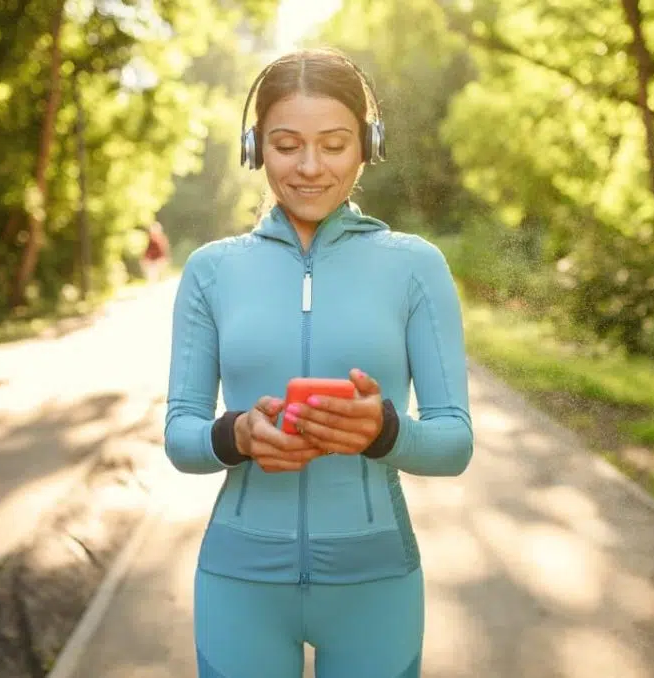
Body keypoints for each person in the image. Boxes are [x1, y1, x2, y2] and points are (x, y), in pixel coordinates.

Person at [165, 47, 473, 678]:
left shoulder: (416, 266)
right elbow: (180, 436)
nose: (309, 167)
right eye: (286, 144)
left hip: (376, 583)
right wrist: (237, 435)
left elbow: (454, 443)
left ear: (369, 144)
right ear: (255, 148)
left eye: (334, 144)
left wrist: (385, 431)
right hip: (238, 583)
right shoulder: (211, 271)